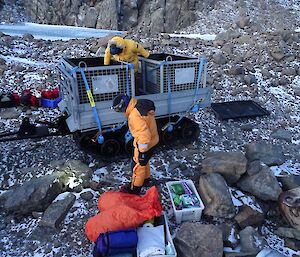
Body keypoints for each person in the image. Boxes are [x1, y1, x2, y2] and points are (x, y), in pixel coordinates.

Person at [111, 94, 159, 194]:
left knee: (138, 165)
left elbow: (143, 134)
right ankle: (146, 180)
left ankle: (135, 188)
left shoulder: (134, 115)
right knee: (145, 162)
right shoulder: (138, 105)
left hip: (145, 143)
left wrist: (142, 152)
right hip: (152, 140)